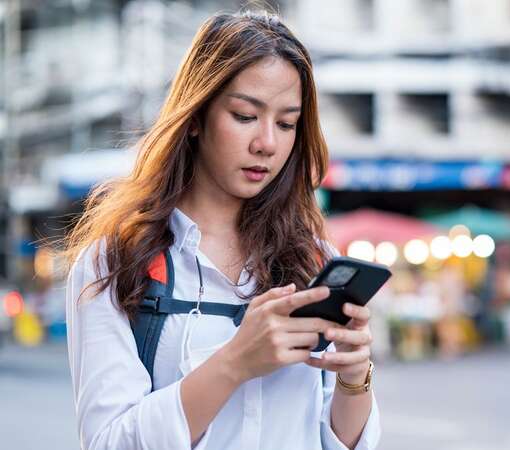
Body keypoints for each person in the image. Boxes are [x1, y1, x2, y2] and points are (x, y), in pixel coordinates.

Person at [60, 10, 379, 450]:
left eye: (286, 124)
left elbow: (337, 442)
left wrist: (353, 376)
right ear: (195, 117)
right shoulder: (114, 261)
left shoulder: (311, 259)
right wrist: (234, 362)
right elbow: (110, 442)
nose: (267, 142)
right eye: (245, 116)